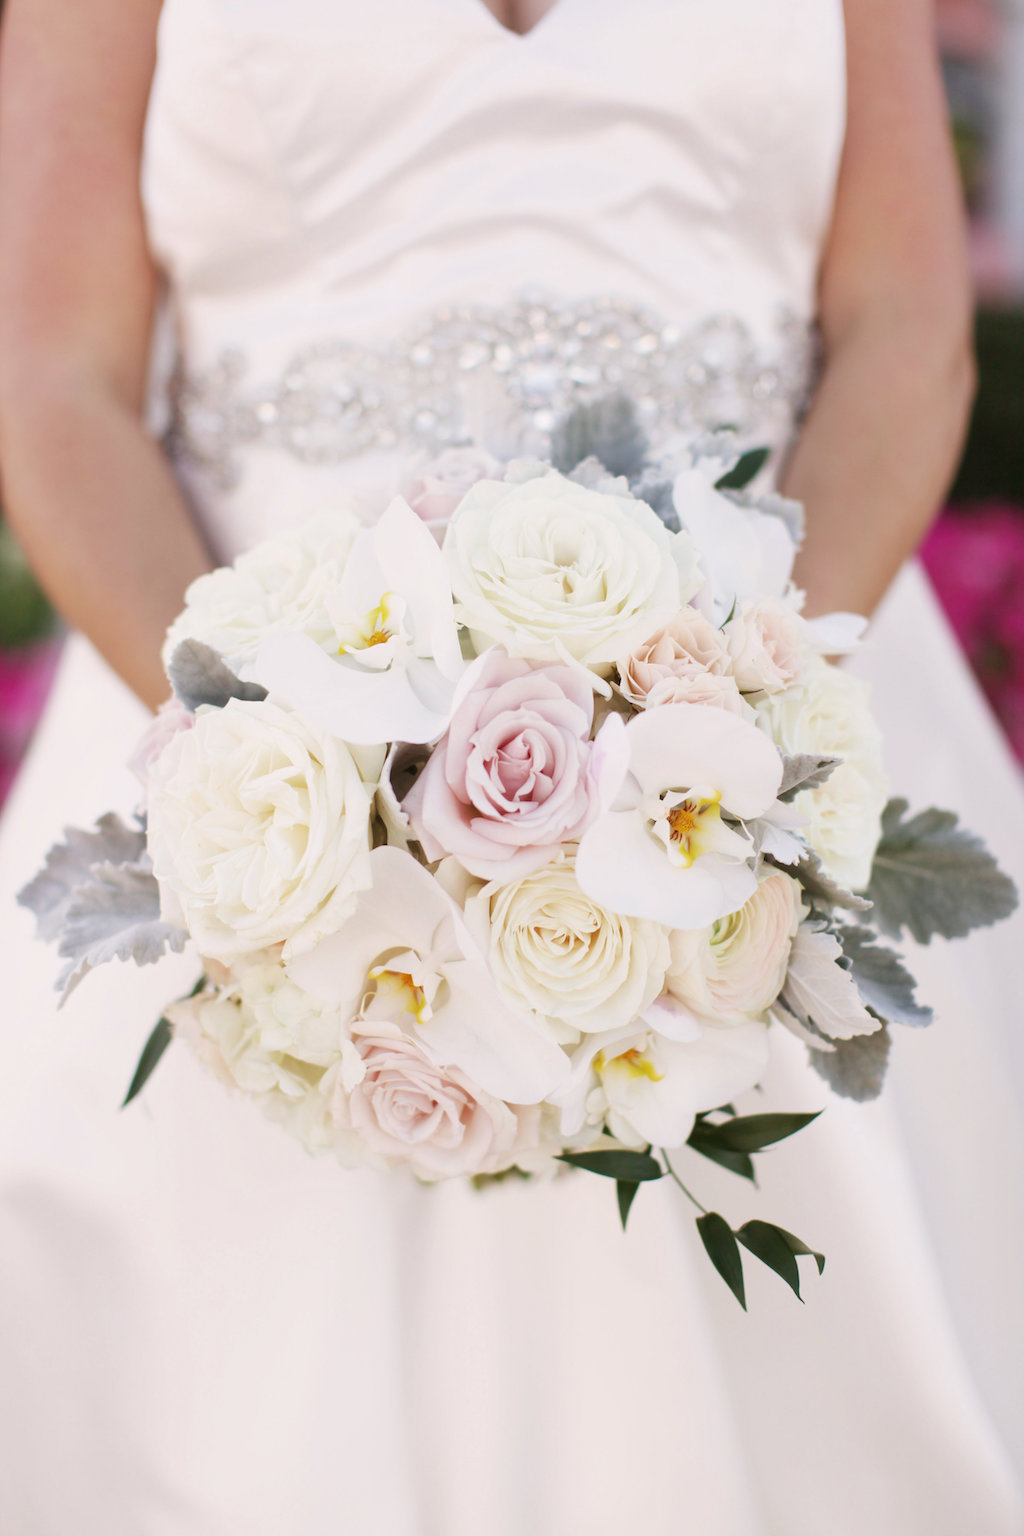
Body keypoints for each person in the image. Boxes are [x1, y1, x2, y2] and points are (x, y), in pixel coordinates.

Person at [0, 0, 1021, 1531]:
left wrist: (737, 748)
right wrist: (295, 790)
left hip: (756, 730)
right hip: (238, 767)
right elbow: (57, 383)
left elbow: (903, 325)